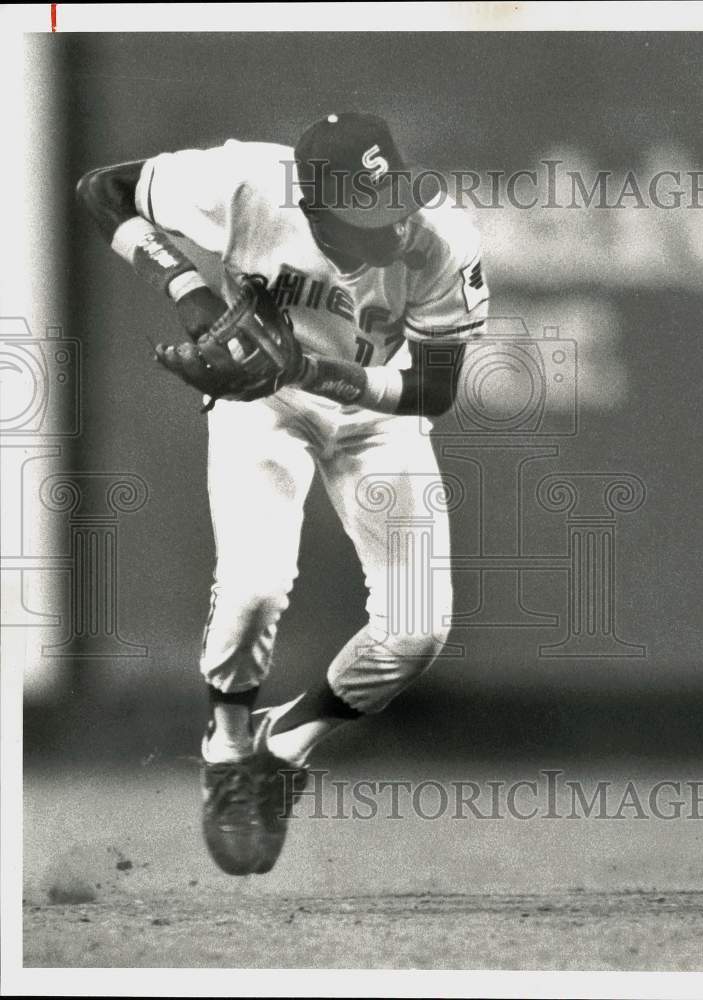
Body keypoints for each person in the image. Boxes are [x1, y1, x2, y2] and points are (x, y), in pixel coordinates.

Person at [76, 112, 489, 875]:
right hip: (260, 403)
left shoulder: (437, 237)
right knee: (255, 589)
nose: (388, 229)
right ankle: (228, 749)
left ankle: (284, 746)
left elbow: (433, 390)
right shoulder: (242, 183)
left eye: (391, 201)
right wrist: (190, 292)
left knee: (415, 633)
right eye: (362, 218)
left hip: (375, 411)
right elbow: (105, 191)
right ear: (309, 205)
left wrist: (308, 371)